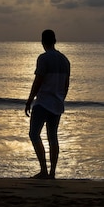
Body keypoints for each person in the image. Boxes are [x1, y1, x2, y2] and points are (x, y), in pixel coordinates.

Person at [25, 29, 70, 179]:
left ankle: (44, 169)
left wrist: (30, 100)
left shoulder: (43, 58)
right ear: (55, 41)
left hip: (43, 102)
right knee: (53, 137)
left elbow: (38, 81)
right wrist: (61, 99)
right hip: (57, 103)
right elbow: (66, 85)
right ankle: (52, 173)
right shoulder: (65, 60)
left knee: (34, 134)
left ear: (42, 42)